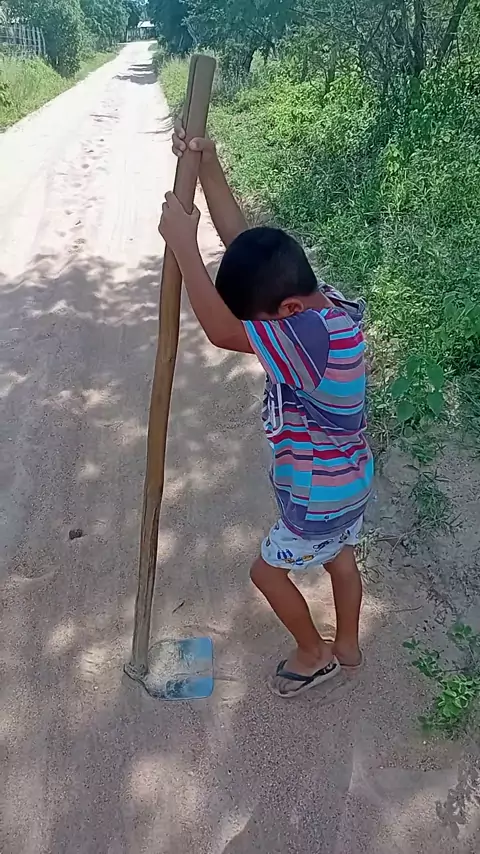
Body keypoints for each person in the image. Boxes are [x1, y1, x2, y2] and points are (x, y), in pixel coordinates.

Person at [158, 121, 374, 698]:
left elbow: (222, 331)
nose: (260, 336)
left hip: (317, 492)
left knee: (267, 572)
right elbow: (243, 244)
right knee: (340, 558)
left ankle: (315, 653)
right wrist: (207, 164)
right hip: (350, 480)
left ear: (288, 311)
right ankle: (348, 645)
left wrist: (184, 247)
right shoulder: (325, 307)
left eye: (264, 325)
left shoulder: (307, 336)